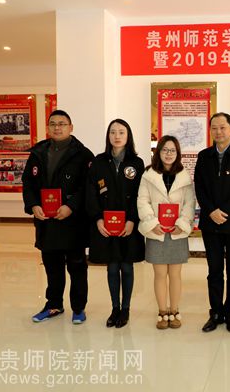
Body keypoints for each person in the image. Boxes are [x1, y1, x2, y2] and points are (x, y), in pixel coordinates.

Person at [22, 109, 94, 324]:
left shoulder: (83, 154)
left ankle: (78, 308)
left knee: (77, 267)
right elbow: (28, 183)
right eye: (53, 124)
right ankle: (53, 305)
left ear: (71, 127)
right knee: (52, 267)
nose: (57, 127)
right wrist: (34, 205)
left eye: (62, 124)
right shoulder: (38, 152)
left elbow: (87, 187)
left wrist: (71, 206)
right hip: (46, 221)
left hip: (73, 221)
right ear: (48, 127)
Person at [194, 112, 230, 333]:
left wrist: (225, 211)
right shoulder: (204, 156)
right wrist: (211, 211)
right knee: (214, 270)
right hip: (211, 223)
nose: (218, 132)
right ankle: (216, 313)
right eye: (214, 128)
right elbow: (199, 187)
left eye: (222, 127)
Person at [85, 119, 145, 328]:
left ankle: (125, 309)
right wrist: (97, 218)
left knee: (127, 267)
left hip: (128, 226)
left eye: (121, 132)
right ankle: (115, 309)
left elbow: (140, 195)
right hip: (106, 225)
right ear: (108, 136)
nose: (117, 136)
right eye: (113, 132)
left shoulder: (137, 163)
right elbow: (91, 192)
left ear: (128, 136)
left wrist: (132, 220)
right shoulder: (99, 162)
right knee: (112, 268)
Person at [137, 135, 195, 330]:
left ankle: (175, 310)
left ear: (177, 153)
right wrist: (152, 222)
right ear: (158, 152)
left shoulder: (184, 176)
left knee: (176, 274)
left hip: (177, 231)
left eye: (172, 150)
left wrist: (183, 223)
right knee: (160, 274)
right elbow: (142, 200)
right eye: (165, 150)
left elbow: (190, 203)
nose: (168, 154)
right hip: (157, 231)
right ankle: (162, 311)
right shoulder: (148, 174)